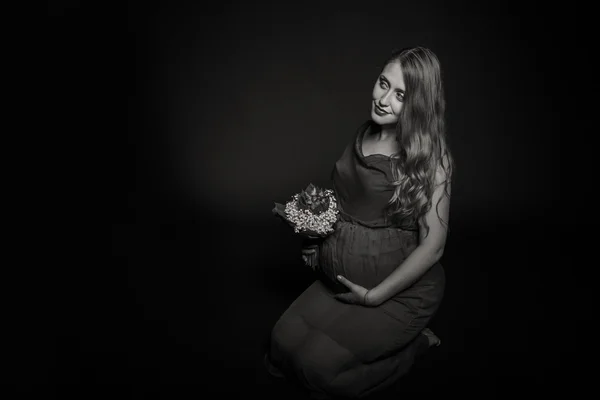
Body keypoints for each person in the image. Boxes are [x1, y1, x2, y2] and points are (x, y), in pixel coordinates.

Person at [265, 46, 454, 399]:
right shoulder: (367, 131)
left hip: (393, 293)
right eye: (384, 83)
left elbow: (435, 244)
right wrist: (313, 237)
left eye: (401, 95)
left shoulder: (431, 158)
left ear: (418, 105)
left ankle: (412, 349)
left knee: (316, 369)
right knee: (280, 348)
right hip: (340, 277)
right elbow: (348, 200)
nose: (384, 99)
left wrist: (374, 297)